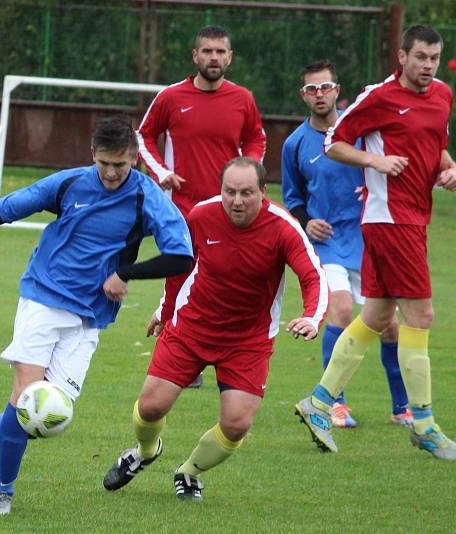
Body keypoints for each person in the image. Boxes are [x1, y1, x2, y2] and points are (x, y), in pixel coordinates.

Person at [0, 117, 193, 515]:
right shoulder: (70, 183)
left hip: (90, 316)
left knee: (49, 415)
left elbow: (181, 254)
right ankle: (3, 494)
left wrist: (125, 273)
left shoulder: (146, 196)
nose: (113, 172)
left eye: (121, 164)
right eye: (105, 163)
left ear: (135, 159)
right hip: (43, 296)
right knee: (28, 396)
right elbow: (11, 206)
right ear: (92, 155)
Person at [103, 157, 327, 501]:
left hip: (248, 340)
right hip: (192, 325)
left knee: (237, 423)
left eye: (247, 193)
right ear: (220, 190)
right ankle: (145, 452)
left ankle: (189, 472)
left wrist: (312, 316)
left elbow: (313, 275)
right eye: (230, 192)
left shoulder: (283, 227)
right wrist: (164, 310)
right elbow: (180, 265)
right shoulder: (201, 216)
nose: (237, 201)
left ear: (263, 193)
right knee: (150, 407)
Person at [295, 25, 456, 460]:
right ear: (401, 57)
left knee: (379, 315)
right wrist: (375, 160)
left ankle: (320, 402)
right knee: (421, 314)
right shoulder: (379, 97)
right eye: (419, 57)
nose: (427, 66)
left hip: (411, 219)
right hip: (389, 220)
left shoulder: (442, 95)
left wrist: (448, 168)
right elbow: (333, 142)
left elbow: (435, 148)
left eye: (434, 58)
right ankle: (422, 422)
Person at [281, 60, 411, 429]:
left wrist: (372, 184)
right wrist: (308, 222)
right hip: (329, 245)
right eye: (311, 89)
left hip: (370, 238)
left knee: (389, 325)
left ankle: (401, 407)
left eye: (326, 87)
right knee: (339, 310)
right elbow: (292, 198)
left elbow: (388, 168)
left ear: (338, 91)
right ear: (303, 95)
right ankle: (335, 403)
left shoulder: (363, 133)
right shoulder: (294, 143)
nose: (319, 95)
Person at [137, 25, 266, 386]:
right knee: (179, 271)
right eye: (207, 51)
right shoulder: (171, 97)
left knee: (224, 276)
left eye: (220, 52)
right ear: (195, 56)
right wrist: (161, 171)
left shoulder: (243, 98)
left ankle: (228, 352)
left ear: (229, 57)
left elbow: (255, 138)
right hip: (183, 206)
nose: (214, 57)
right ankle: (174, 350)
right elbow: (143, 134)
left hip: (230, 208)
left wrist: (250, 172)